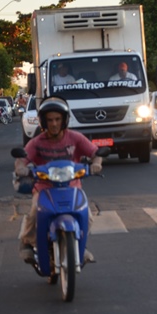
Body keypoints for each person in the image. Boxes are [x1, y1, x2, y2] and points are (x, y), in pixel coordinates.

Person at [14, 97, 102, 264]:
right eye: (50, 120)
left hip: (73, 188)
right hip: (43, 189)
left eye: (57, 119)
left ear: (64, 120)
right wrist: (21, 168)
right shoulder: (36, 142)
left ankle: (79, 246)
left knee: (87, 216)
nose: (54, 124)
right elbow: (22, 159)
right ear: (43, 122)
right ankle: (26, 241)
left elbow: (95, 153)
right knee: (34, 214)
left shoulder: (76, 138)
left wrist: (96, 164)